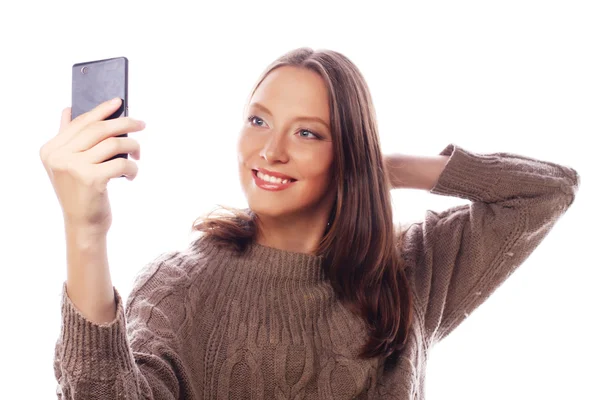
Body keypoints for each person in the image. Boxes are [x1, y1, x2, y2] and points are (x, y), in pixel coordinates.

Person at [40, 47, 580, 399]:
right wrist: (84, 230)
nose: (269, 151)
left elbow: (546, 190)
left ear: (346, 149)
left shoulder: (411, 270)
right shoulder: (182, 284)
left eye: (307, 133)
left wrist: (379, 168)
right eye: (258, 120)